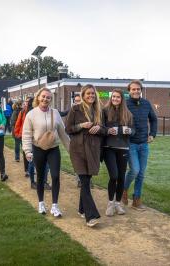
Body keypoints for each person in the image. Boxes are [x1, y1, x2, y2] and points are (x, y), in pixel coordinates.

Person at [22, 88, 70, 217]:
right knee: (41, 176)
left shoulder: (55, 113)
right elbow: (26, 134)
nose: (45, 99)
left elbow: (63, 133)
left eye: (48, 97)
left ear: (51, 99)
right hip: (38, 149)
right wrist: (27, 151)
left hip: (53, 149)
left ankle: (55, 205)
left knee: (55, 176)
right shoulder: (31, 114)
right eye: (43, 96)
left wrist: (71, 150)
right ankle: (41, 203)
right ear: (38, 97)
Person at [66, 84, 106, 227]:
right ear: (83, 95)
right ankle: (91, 216)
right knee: (84, 181)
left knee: (86, 181)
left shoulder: (99, 111)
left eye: (93, 94)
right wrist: (81, 126)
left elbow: (105, 130)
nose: (91, 96)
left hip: (93, 149)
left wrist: (99, 128)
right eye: (88, 93)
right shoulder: (75, 109)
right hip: (78, 149)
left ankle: (81, 209)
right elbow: (68, 128)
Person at [123, 80, 157, 211]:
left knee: (141, 173)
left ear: (141, 90)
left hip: (144, 144)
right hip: (131, 143)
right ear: (129, 91)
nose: (136, 91)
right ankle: (123, 190)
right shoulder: (125, 105)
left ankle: (136, 200)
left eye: (138, 89)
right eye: (133, 89)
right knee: (135, 170)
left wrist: (152, 134)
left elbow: (154, 119)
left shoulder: (146, 104)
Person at [103, 89, 135, 216]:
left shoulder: (128, 114)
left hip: (123, 147)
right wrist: (107, 130)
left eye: (118, 97)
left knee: (121, 177)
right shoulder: (104, 111)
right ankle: (110, 203)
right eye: (113, 97)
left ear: (122, 99)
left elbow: (134, 130)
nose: (115, 99)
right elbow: (100, 127)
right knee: (114, 176)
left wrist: (130, 131)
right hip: (109, 147)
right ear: (111, 98)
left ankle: (118, 204)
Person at [14, 97, 37, 189]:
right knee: (28, 155)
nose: (26, 103)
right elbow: (18, 123)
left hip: (30, 136)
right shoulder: (25, 112)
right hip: (28, 136)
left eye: (27, 102)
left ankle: (29, 172)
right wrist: (17, 133)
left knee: (28, 155)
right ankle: (29, 172)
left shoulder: (31, 111)